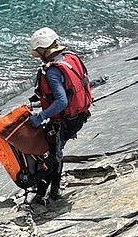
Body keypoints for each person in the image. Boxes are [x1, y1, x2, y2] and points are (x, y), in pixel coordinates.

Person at [27, 27, 92, 204]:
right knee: (56, 151)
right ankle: (51, 190)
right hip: (79, 115)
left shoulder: (53, 72)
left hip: (64, 120)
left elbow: (62, 101)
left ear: (42, 50)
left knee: (51, 154)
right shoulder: (70, 58)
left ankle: (45, 193)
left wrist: (41, 116)